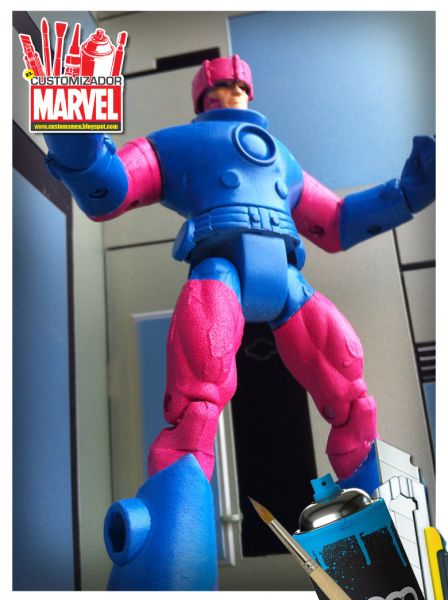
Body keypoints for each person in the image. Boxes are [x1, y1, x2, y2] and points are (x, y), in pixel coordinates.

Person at [44, 55, 435, 590]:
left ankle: (386, 568)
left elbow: (335, 222)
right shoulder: (180, 143)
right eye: (220, 87)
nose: (231, 92)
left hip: (288, 279)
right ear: (201, 98)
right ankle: (171, 568)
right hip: (218, 267)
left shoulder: (282, 160)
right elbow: (111, 189)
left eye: (238, 85)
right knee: (196, 408)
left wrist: (406, 193)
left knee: (352, 398)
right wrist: (75, 130)